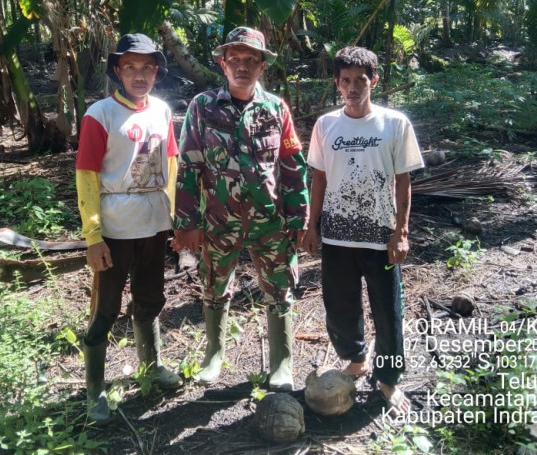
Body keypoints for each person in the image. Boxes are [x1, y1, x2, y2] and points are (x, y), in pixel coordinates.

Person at [172, 27, 309, 392]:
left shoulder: (276, 108)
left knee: (280, 288)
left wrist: (299, 216)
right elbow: (188, 165)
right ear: (222, 63)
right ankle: (214, 354)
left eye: (251, 59)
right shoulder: (201, 107)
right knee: (214, 286)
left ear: (263, 66)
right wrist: (187, 223)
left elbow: (292, 163)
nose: (242, 66)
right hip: (219, 219)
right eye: (235, 59)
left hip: (271, 221)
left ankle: (281, 362)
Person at [301, 46, 423, 413]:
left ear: (374, 81)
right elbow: (319, 179)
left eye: (360, 80)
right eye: (346, 81)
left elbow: (403, 183)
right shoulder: (326, 125)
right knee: (339, 304)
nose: (353, 87)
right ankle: (355, 358)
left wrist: (400, 232)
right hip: (337, 236)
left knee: (388, 310)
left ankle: (387, 379)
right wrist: (311, 225)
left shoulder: (394, 124)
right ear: (337, 84)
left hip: (380, 238)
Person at [76, 33, 182, 423]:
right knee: (106, 310)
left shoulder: (163, 111)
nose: (140, 75)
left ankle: (150, 368)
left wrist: (173, 220)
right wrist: (92, 235)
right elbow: (86, 175)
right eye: (131, 67)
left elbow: (170, 166)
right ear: (118, 71)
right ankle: (95, 391)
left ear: (157, 71)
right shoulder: (100, 114)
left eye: (148, 67)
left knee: (150, 300)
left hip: (154, 222)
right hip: (115, 227)